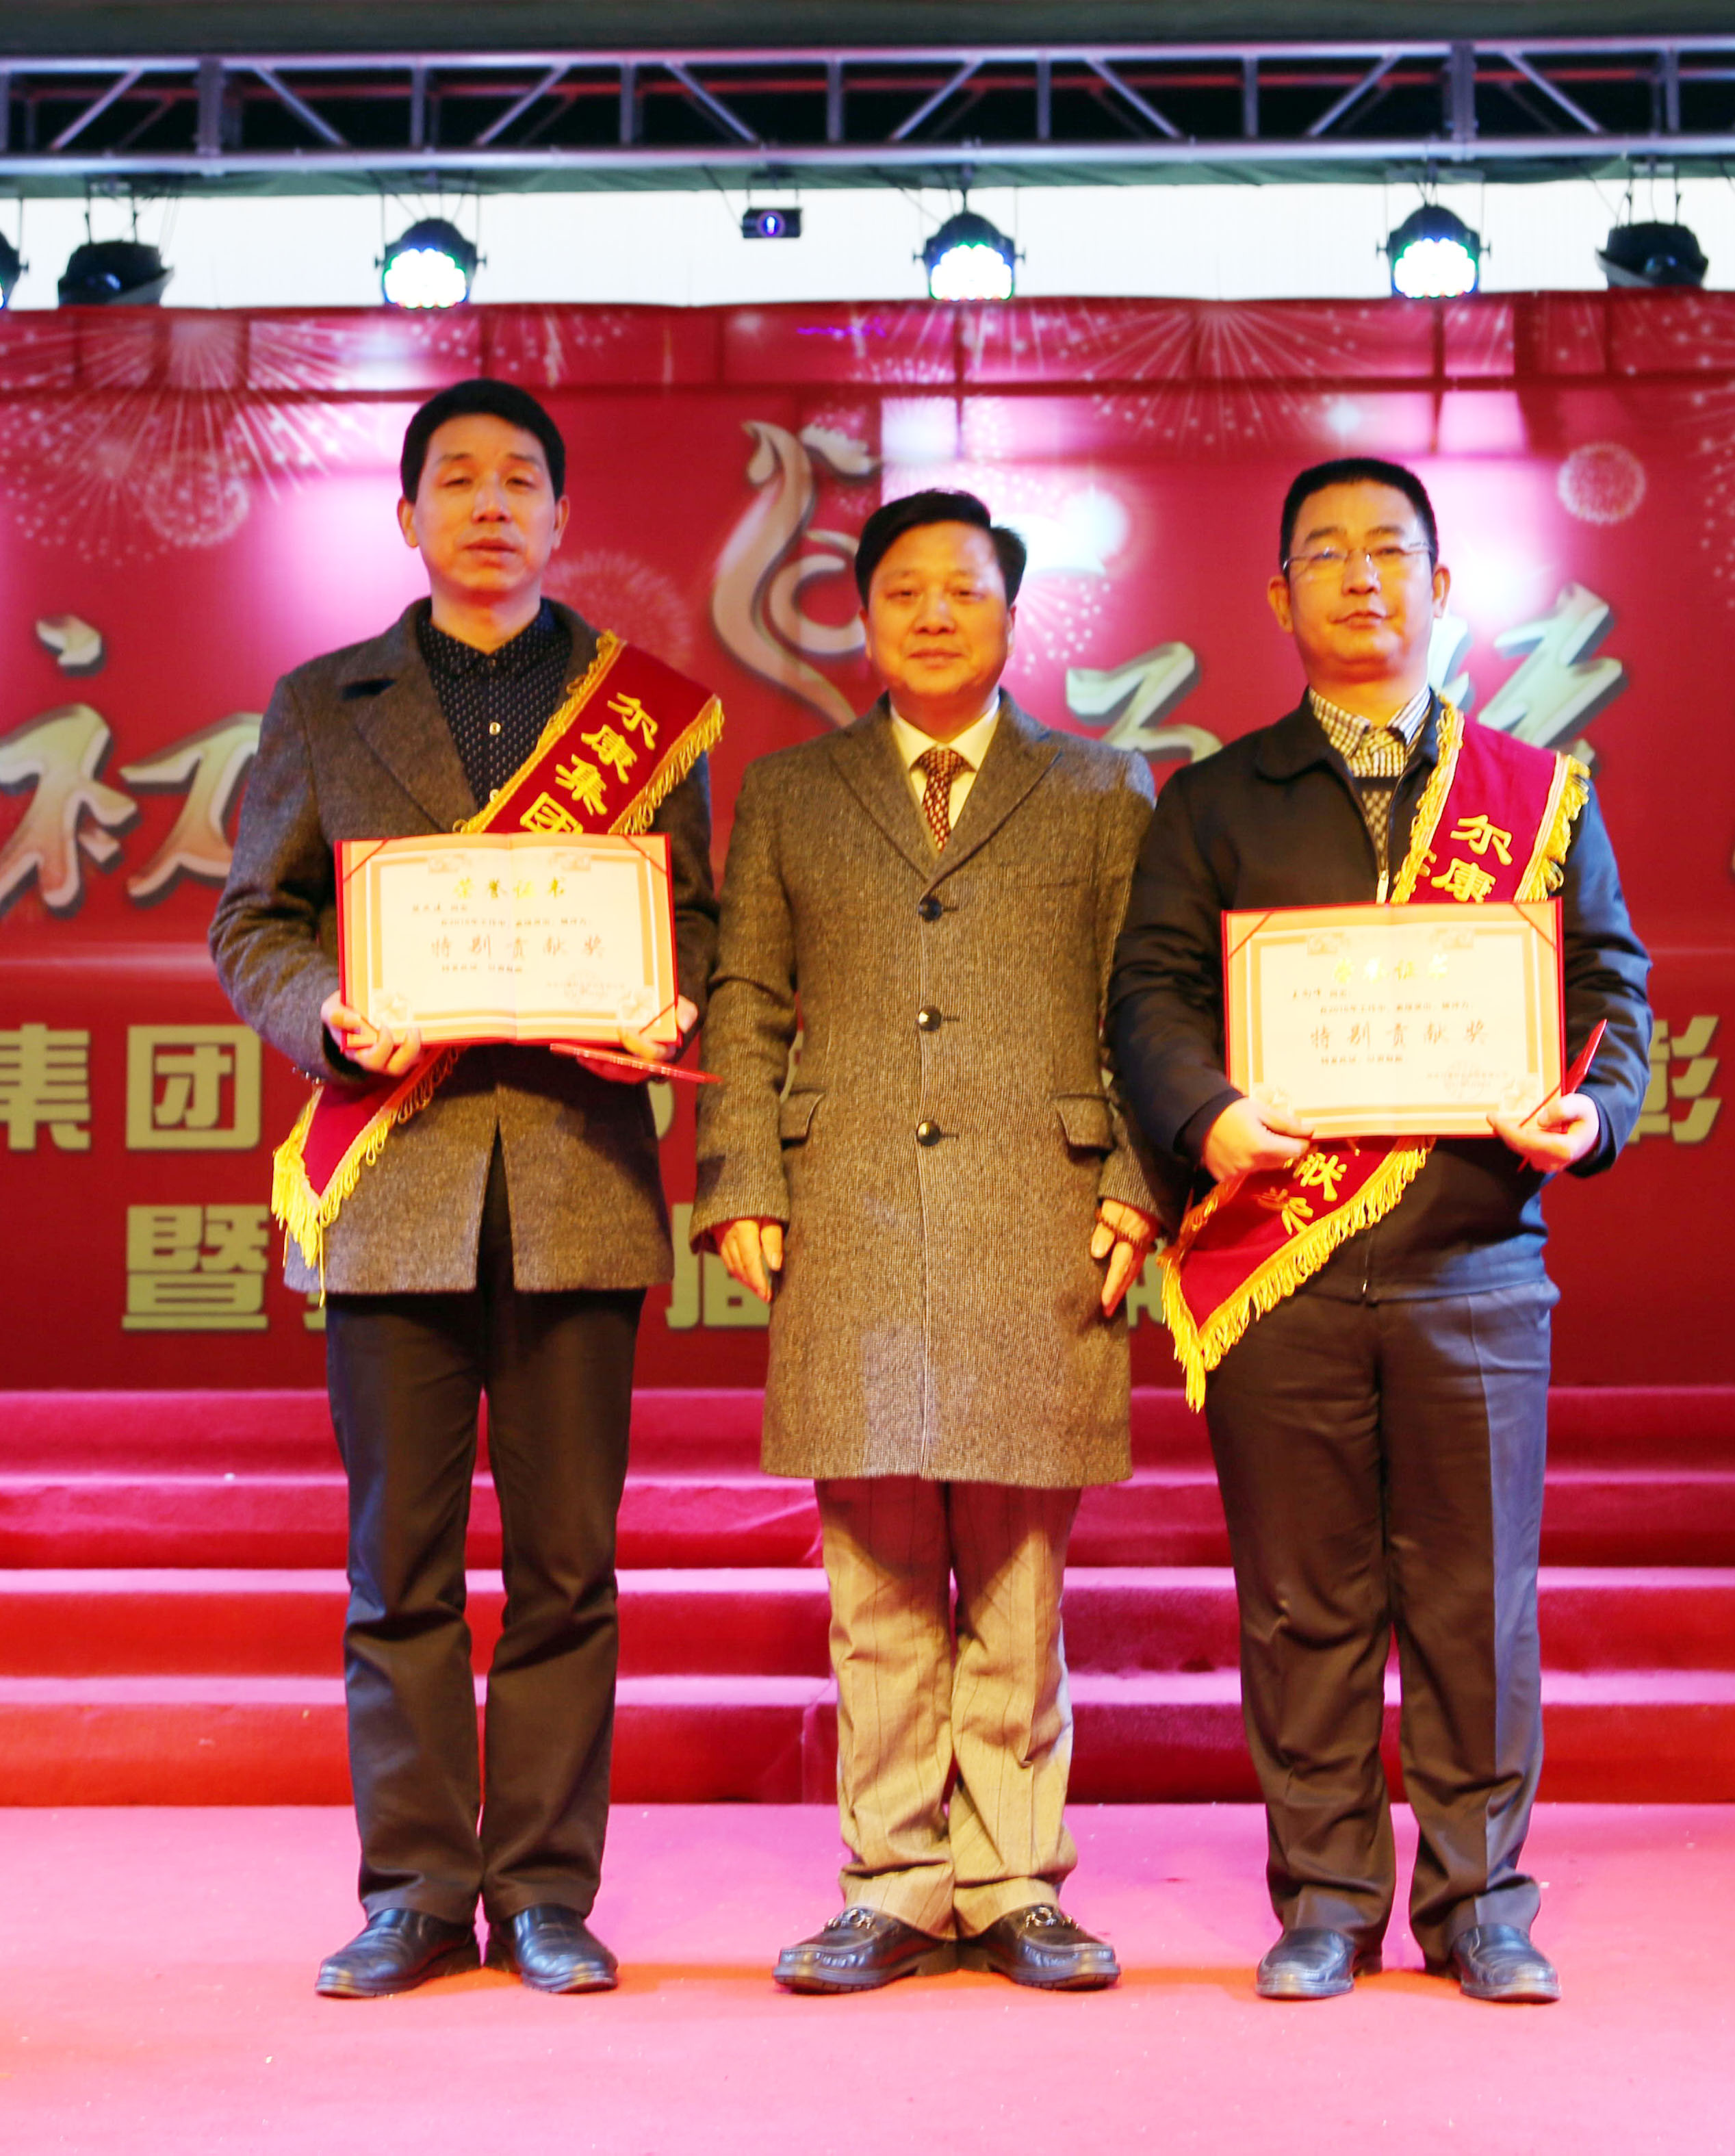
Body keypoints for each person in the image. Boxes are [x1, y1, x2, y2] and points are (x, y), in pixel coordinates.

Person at [1106, 456, 1650, 2005]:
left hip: (1474, 1263)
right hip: (1281, 1260)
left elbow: (1609, 991)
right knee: (1304, 1604)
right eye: (1327, 554)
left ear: (1441, 585)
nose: (1361, 576)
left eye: (1390, 551)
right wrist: (1207, 1116)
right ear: (1279, 595)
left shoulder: (1538, 796)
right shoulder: (1214, 800)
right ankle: (1328, 1901)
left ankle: (1482, 1903)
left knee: (1477, 1603)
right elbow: (1149, 996)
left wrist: (1591, 1111)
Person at [211, 378, 721, 1999]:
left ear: (563, 517)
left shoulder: (641, 712)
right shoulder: (323, 702)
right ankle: (418, 1893)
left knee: (570, 1566)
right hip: (394, 1183)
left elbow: (697, 919)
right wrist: (327, 1016)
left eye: (519, 480)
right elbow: (254, 920)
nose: (490, 504)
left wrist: (674, 1001)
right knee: (400, 1571)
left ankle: (549, 1892)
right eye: (457, 478)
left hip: (577, 1176)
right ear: (408, 515)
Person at [696, 488, 1165, 1994]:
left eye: (963, 589)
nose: (935, 614)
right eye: (903, 591)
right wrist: (741, 1176)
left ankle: (1015, 1879)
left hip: (1046, 1210)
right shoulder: (793, 791)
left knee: (1019, 1580)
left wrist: (1140, 1182)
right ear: (863, 619)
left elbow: (1147, 1002)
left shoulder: (1101, 787)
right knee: (878, 1575)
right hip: (848, 1208)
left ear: (1011, 615)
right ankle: (894, 1880)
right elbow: (745, 1000)